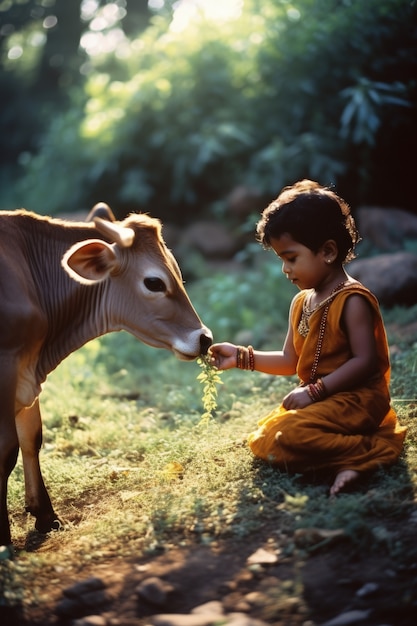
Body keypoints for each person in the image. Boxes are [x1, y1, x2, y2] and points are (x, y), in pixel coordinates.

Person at [209, 180, 406, 496]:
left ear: (327, 251)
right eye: (281, 260)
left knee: (287, 438)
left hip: (358, 400)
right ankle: (345, 454)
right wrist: (241, 357)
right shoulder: (302, 302)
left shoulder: (352, 299)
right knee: (266, 437)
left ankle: (367, 450)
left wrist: (315, 392)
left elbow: (365, 361)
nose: (285, 269)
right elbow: (290, 360)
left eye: (291, 257)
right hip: (325, 400)